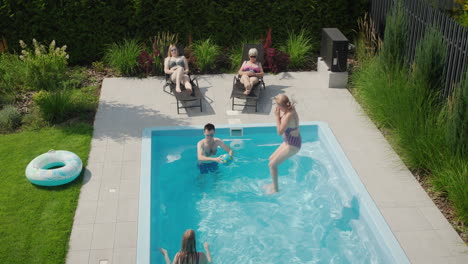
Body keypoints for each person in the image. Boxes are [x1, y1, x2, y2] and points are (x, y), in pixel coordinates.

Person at [266, 94, 301, 194]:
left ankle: (276, 189)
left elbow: (280, 132)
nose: (277, 108)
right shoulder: (289, 110)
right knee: (271, 159)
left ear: (282, 106)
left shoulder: (289, 115)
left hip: (293, 145)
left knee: (272, 165)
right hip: (288, 141)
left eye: (278, 105)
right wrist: (280, 116)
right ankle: (274, 184)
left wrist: (277, 117)